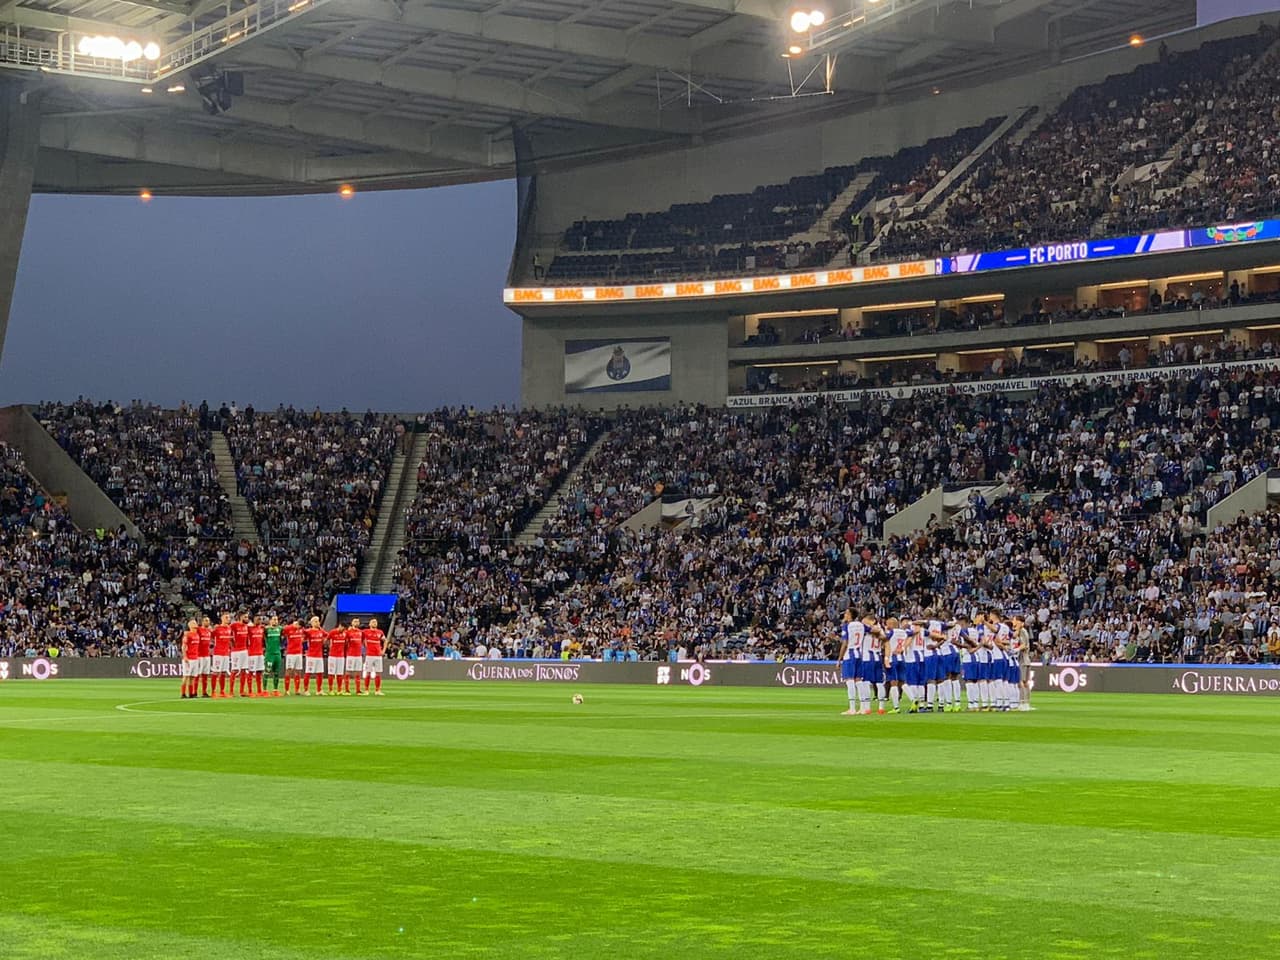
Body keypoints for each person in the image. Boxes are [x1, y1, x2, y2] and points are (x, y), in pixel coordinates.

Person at [836, 609, 864, 716]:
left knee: (850, 680)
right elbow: (872, 629)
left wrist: (839, 659)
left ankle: (852, 708)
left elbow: (845, 643)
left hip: (849, 655)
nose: (845, 615)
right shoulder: (861, 625)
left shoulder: (846, 626)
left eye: (847, 613)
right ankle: (862, 708)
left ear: (851, 615)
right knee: (858, 681)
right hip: (859, 654)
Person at [212, 612, 234, 699]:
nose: (228, 619)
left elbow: (230, 640)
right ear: (222, 619)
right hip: (218, 653)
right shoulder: (217, 628)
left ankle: (222, 691)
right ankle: (213, 692)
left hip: (226, 653)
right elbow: (211, 636)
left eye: (228, 618)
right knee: (216, 672)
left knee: (223, 673)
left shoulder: (229, 628)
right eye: (226, 617)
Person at [304, 616, 327, 695]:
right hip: (311, 656)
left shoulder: (321, 632)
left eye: (318, 621)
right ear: (312, 623)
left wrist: (320, 628)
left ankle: (319, 690)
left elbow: (327, 635)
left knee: (320, 673)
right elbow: (303, 636)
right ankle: (306, 690)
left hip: (319, 656)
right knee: (308, 672)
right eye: (316, 621)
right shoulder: (309, 631)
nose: (318, 623)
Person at [362, 617, 385, 695]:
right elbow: (361, 639)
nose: (374, 623)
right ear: (369, 624)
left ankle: (377, 690)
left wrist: (383, 650)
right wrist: (365, 646)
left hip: (378, 655)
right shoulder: (365, 632)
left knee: (378, 673)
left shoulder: (380, 632)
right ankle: (366, 690)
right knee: (368, 672)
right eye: (373, 622)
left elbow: (385, 641)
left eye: (375, 622)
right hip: (369, 655)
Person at [230, 612, 250, 698]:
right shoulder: (234, 625)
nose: (247, 618)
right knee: (234, 670)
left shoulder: (246, 626)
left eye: (247, 617)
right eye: (245, 617)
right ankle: (231, 691)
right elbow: (229, 635)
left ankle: (242, 691)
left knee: (243, 670)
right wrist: (232, 645)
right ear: (241, 617)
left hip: (244, 651)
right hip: (236, 651)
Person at [263, 616, 284, 697]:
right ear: (270, 621)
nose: (276, 621)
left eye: (277, 619)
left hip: (277, 653)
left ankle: (275, 690)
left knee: (276, 672)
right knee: (267, 671)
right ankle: (264, 690)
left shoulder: (280, 628)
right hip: (269, 654)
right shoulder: (266, 629)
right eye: (274, 619)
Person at [282, 618, 304, 695]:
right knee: (289, 670)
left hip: (299, 653)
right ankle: (287, 690)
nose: (299, 628)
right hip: (291, 652)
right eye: (299, 626)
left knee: (298, 671)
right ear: (297, 624)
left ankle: (297, 690)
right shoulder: (289, 628)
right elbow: (283, 632)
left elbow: (304, 636)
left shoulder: (301, 630)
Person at [181, 618, 201, 699]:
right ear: (190, 625)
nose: (195, 624)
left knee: (192, 676)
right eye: (193, 623)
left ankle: (191, 693)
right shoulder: (187, 635)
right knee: (186, 676)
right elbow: (183, 646)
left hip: (195, 658)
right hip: (188, 658)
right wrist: (185, 656)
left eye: (195, 623)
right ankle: (183, 693)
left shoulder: (197, 635)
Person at [247, 616, 266, 698]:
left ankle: (259, 690)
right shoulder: (249, 628)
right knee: (251, 672)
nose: (259, 620)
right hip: (252, 653)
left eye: (260, 619)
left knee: (259, 672)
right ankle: (250, 691)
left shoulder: (262, 628)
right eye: (257, 619)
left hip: (260, 653)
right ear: (253, 620)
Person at [326, 621, 347, 695]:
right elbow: (326, 639)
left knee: (340, 674)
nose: (343, 629)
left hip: (341, 656)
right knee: (331, 673)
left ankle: (339, 690)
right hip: (332, 656)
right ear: (340, 626)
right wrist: (329, 646)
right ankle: (330, 689)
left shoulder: (345, 633)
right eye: (342, 628)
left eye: (344, 628)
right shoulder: (332, 632)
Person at [345, 617, 364, 696]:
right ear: (352, 623)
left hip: (358, 655)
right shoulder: (348, 632)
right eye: (355, 621)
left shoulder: (361, 632)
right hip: (351, 655)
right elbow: (346, 643)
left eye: (357, 621)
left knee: (358, 673)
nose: (356, 622)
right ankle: (347, 690)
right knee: (348, 672)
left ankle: (358, 690)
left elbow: (362, 641)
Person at [197, 616, 214, 698]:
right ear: (202, 622)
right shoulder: (198, 630)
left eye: (208, 620)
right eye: (206, 620)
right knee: (197, 674)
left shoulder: (209, 631)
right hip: (199, 655)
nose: (208, 622)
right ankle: (194, 692)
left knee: (205, 675)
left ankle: (204, 692)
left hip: (207, 655)